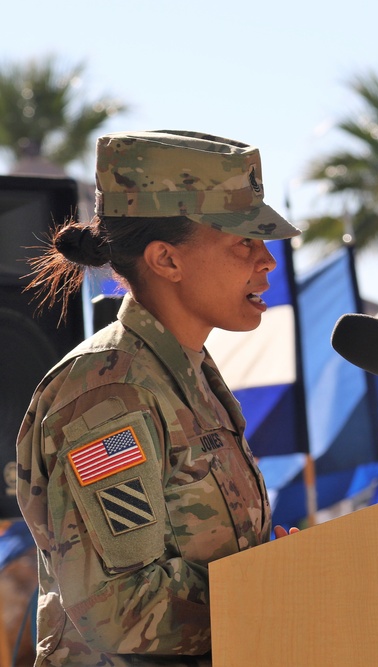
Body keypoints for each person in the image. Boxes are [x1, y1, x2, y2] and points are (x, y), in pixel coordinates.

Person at [16, 130, 300, 666]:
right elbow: (121, 609)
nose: (267, 261)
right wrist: (265, 594)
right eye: (244, 241)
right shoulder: (109, 392)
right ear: (166, 259)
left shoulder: (185, 376)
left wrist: (276, 573)